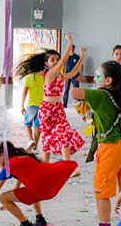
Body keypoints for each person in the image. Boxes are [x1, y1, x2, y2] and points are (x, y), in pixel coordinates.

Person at [71, 61, 121, 226]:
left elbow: (74, 93)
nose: (96, 78)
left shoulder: (100, 95)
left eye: (98, 75)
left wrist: (95, 90)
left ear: (108, 80)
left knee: (102, 191)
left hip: (110, 148)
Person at [0, 142, 77, 226]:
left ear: (2, 155)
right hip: (49, 188)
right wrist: (9, 201)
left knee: (3, 197)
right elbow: (20, 181)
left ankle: (25, 224)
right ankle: (40, 220)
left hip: (40, 190)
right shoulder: (24, 157)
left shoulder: (8, 167)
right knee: (31, 187)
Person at [14, 34, 85, 163]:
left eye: (57, 59)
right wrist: (69, 43)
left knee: (65, 132)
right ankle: (45, 163)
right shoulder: (49, 75)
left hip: (58, 108)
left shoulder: (60, 76)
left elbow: (74, 72)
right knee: (47, 136)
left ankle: (67, 163)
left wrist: (82, 56)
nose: (56, 61)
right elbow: (63, 62)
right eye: (52, 60)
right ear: (46, 63)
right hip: (47, 109)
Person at [20, 70, 44, 151]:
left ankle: (31, 140)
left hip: (31, 105)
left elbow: (25, 92)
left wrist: (22, 105)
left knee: (27, 124)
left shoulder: (27, 78)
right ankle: (35, 146)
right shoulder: (43, 77)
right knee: (37, 126)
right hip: (42, 105)